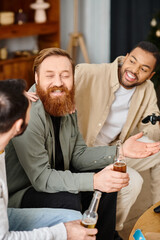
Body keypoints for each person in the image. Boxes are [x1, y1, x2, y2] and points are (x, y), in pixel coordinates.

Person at [5, 48, 160, 240]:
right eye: (49, 75)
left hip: (56, 177)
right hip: (23, 193)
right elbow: (42, 178)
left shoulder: (66, 103)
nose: (58, 82)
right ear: (37, 78)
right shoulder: (30, 113)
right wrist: (94, 180)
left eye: (65, 75)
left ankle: (104, 237)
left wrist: (121, 150)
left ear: (73, 78)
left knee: (107, 184)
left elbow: (78, 155)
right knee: (70, 198)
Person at [75, 41, 160, 233]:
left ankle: (116, 226)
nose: (134, 70)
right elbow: (55, 83)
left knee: (158, 149)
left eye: (143, 69)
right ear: (127, 56)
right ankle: (107, 229)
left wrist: (154, 125)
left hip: (117, 149)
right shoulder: (91, 73)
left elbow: (152, 128)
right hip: (84, 152)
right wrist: (29, 94)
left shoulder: (147, 89)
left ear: (150, 75)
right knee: (134, 181)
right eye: (133, 61)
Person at [0, 78, 97, 240]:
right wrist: (63, 233)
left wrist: (12, 96)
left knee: (74, 219)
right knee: (69, 228)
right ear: (18, 126)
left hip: (5, 212)